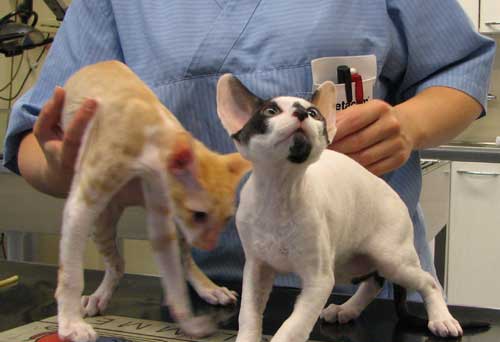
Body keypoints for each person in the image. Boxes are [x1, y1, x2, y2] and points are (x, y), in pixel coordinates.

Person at [3, 0, 496, 298]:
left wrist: (409, 125)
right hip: (211, 297)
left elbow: (460, 69)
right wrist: (65, 168)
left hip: (363, 284)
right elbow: (31, 138)